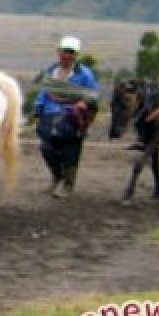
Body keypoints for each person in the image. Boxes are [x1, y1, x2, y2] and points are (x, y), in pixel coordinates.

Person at [31, 36, 99, 197]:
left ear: (76, 55)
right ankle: (57, 176)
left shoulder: (84, 74)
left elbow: (92, 95)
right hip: (50, 114)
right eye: (64, 51)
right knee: (46, 148)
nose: (67, 55)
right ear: (59, 52)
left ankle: (68, 185)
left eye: (71, 52)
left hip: (72, 116)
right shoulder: (52, 71)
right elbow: (44, 91)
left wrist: (84, 103)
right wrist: (38, 107)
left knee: (71, 151)